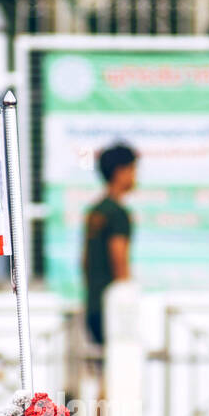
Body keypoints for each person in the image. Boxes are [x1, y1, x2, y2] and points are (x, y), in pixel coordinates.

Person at [82, 143, 137, 346]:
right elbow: (119, 256)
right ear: (119, 172)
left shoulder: (96, 211)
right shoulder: (118, 213)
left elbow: (85, 261)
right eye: (132, 169)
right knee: (118, 364)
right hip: (112, 307)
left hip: (94, 303)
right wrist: (126, 294)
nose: (134, 176)